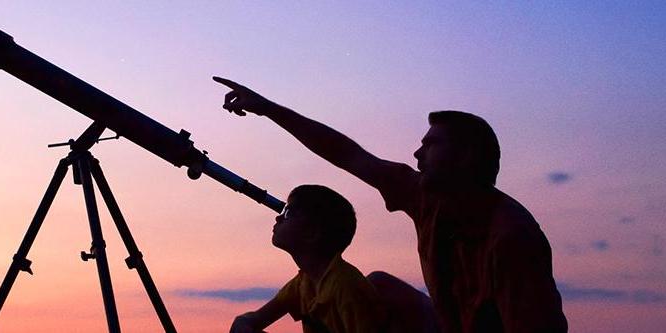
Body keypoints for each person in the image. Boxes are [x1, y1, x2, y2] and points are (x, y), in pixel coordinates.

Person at [214, 76, 568, 333]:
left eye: (431, 145)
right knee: (379, 285)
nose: (417, 154)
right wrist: (268, 109)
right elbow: (346, 153)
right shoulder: (425, 198)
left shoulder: (511, 239)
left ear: (466, 157)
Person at [230, 185, 387, 333]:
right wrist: (244, 322)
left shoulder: (346, 287)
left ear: (311, 233)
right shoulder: (304, 283)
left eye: (288, 213)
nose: (278, 218)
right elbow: (257, 318)